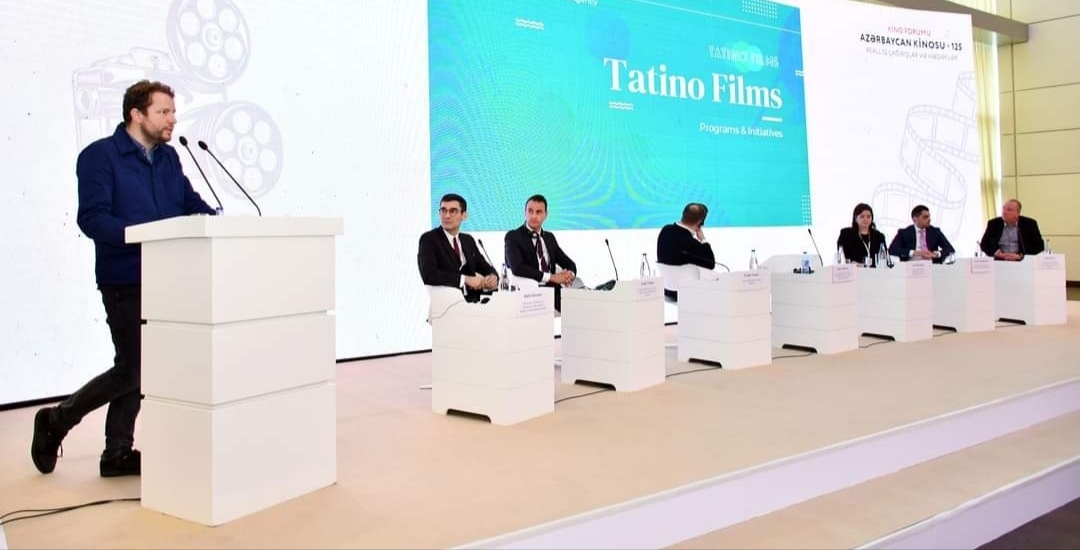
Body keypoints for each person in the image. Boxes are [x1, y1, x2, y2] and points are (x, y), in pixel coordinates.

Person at [31, 80, 218, 478]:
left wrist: (215, 220)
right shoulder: (100, 156)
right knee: (133, 368)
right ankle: (58, 419)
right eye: (163, 112)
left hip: (170, 276)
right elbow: (92, 218)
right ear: (136, 114)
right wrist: (142, 235)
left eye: (173, 111)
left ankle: (117, 453)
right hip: (125, 277)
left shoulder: (169, 157)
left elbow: (188, 202)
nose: (172, 119)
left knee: (141, 366)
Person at [418, 193, 499, 302]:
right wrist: (464, 279)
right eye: (443, 211)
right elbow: (429, 275)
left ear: (464, 215)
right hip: (446, 304)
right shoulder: (429, 239)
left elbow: (484, 266)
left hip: (473, 301)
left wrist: (493, 277)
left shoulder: (468, 240)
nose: (447, 216)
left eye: (453, 211)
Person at [504, 195, 577, 311]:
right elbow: (518, 268)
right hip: (529, 293)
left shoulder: (549, 237)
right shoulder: (513, 236)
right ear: (525, 212)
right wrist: (552, 277)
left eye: (538, 212)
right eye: (530, 211)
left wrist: (570, 275)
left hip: (553, 291)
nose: (534, 216)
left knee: (577, 309)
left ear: (546, 215)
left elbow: (568, 263)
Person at [657, 203, 715, 300]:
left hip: (667, 290)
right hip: (686, 293)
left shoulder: (665, 230)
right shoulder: (692, 244)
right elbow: (711, 264)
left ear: (683, 215)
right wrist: (703, 240)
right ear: (700, 223)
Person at [979, 199, 1044, 260]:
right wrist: (994, 253)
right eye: (1003, 209)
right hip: (999, 260)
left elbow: (1040, 246)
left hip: (1021, 261)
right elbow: (983, 245)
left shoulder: (1030, 224)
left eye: (1009, 210)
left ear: (1018, 213)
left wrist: (1021, 256)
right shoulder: (993, 224)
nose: (1004, 212)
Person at [888, 204, 955, 263]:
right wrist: (915, 253)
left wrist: (935, 254)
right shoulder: (904, 233)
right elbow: (892, 249)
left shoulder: (935, 231)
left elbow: (950, 249)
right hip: (911, 266)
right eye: (925, 217)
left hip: (932, 266)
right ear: (915, 219)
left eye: (929, 216)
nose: (929, 219)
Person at [836, 203, 888, 267]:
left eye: (868, 216)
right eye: (862, 216)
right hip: (853, 270)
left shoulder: (879, 236)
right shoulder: (846, 234)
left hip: (874, 271)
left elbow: (884, 258)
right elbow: (843, 256)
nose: (865, 219)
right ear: (855, 218)